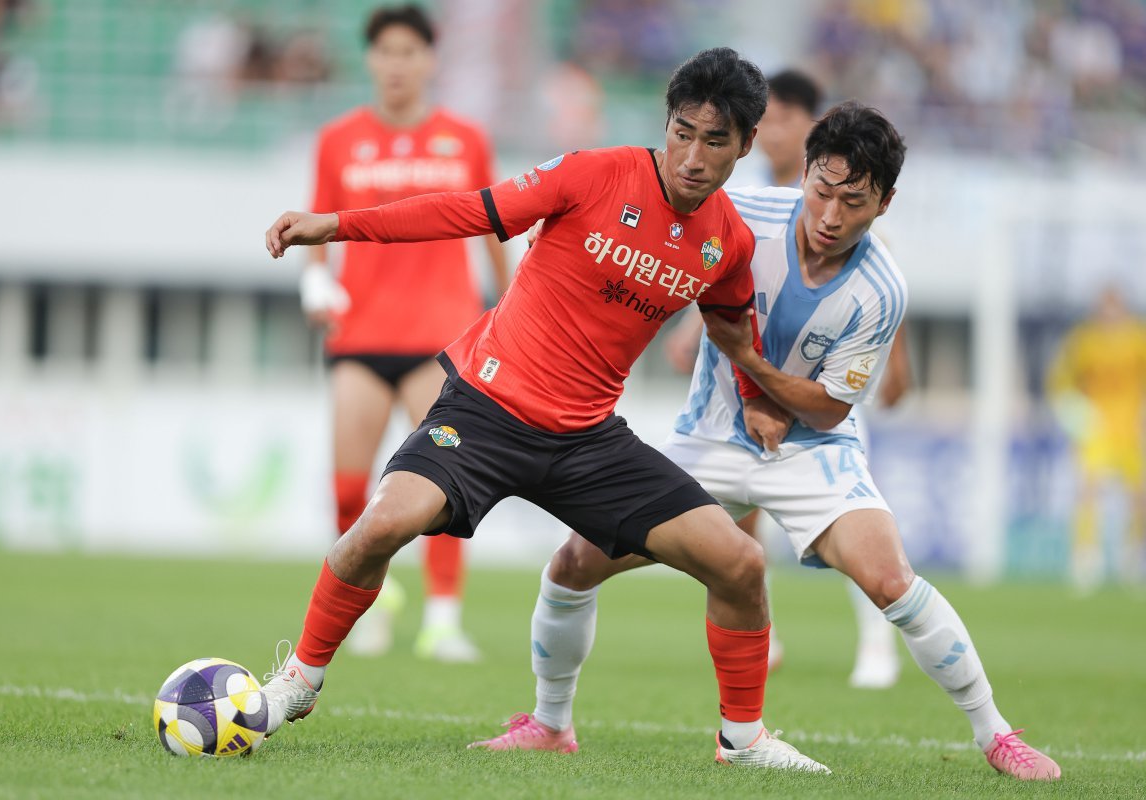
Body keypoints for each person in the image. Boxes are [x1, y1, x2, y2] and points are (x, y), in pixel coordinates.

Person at [260, 47, 829, 773]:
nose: (692, 156)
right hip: (488, 408)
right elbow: (468, 210)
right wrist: (335, 225)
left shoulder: (727, 241)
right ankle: (299, 683)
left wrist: (757, 399)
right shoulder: (592, 174)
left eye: (715, 141)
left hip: (589, 440)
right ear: (666, 124)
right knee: (380, 526)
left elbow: (731, 328)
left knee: (742, 564)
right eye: (682, 132)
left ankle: (742, 740)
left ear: (747, 144)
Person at [473, 102, 1061, 782]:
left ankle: (995, 734)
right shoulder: (743, 211)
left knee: (892, 580)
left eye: (854, 201)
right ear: (805, 174)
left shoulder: (881, 290)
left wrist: (752, 368)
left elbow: (833, 409)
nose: (831, 215)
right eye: (822, 190)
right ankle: (550, 724)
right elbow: (662, 239)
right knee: (575, 563)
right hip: (708, 441)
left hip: (812, 452)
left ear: (885, 203)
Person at [665, 68, 910, 687]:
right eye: (763, 121)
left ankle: (877, 645)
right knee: (737, 527)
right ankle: (760, 634)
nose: (769, 132)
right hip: (739, 404)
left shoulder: (851, 198)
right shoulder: (746, 198)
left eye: (780, 120)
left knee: (862, 532)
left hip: (824, 400)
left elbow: (874, 293)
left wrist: (897, 364)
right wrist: (695, 335)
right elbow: (727, 278)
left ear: (808, 128)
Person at [299, 4, 510, 662]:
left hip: (438, 336)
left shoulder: (465, 138)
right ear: (370, 59)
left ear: (430, 60)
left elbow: (494, 226)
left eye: (409, 52)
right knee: (347, 487)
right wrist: (314, 281)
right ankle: (370, 602)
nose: (396, 64)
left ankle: (443, 620)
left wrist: (509, 304)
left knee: (444, 482)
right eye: (385, 51)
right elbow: (319, 227)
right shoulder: (337, 139)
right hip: (359, 334)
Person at [1048, 287, 1146, 590]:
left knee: (1138, 495)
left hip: (1131, 430)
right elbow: (1060, 381)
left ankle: (1133, 556)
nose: (1109, 316)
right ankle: (1086, 557)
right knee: (1088, 490)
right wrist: (1076, 413)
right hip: (1097, 430)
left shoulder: (1138, 340)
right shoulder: (1085, 341)